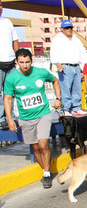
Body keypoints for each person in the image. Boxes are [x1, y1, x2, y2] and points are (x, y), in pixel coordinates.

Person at [4, 49, 62, 188]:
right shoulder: (11, 78)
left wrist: (58, 98)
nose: (25, 65)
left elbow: (55, 80)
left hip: (43, 114)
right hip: (25, 117)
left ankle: (47, 173)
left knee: (43, 144)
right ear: (16, 62)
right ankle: (44, 168)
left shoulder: (40, 73)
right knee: (35, 147)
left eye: (27, 62)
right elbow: (8, 98)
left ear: (32, 61)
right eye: (22, 62)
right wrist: (9, 119)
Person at [50, 19, 87, 116]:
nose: (69, 30)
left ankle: (76, 107)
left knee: (76, 88)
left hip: (76, 66)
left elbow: (82, 52)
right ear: (62, 29)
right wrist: (57, 64)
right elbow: (53, 53)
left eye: (70, 28)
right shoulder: (57, 39)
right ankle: (66, 108)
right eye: (66, 28)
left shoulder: (76, 38)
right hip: (65, 66)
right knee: (66, 88)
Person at [0, 0, 19, 129]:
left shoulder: (7, 22)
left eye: (0, 5)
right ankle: (1, 118)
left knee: (11, 93)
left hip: (11, 62)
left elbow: (15, 40)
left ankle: (10, 117)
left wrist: (17, 56)